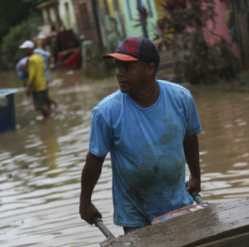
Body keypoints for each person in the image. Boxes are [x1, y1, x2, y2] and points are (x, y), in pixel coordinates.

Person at [79, 36, 202, 233]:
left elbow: (190, 138)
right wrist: (85, 203)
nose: (120, 74)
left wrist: (196, 176)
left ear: (150, 69)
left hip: (179, 204)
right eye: (118, 67)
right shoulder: (106, 112)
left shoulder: (180, 98)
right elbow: (94, 160)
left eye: (127, 68)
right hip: (135, 213)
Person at [20, 40, 52, 118]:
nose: (24, 51)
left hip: (37, 87)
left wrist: (29, 87)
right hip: (43, 84)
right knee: (45, 103)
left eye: (25, 49)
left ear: (30, 49)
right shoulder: (39, 57)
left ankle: (48, 122)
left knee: (41, 106)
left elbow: (32, 75)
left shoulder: (31, 60)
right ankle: (49, 118)